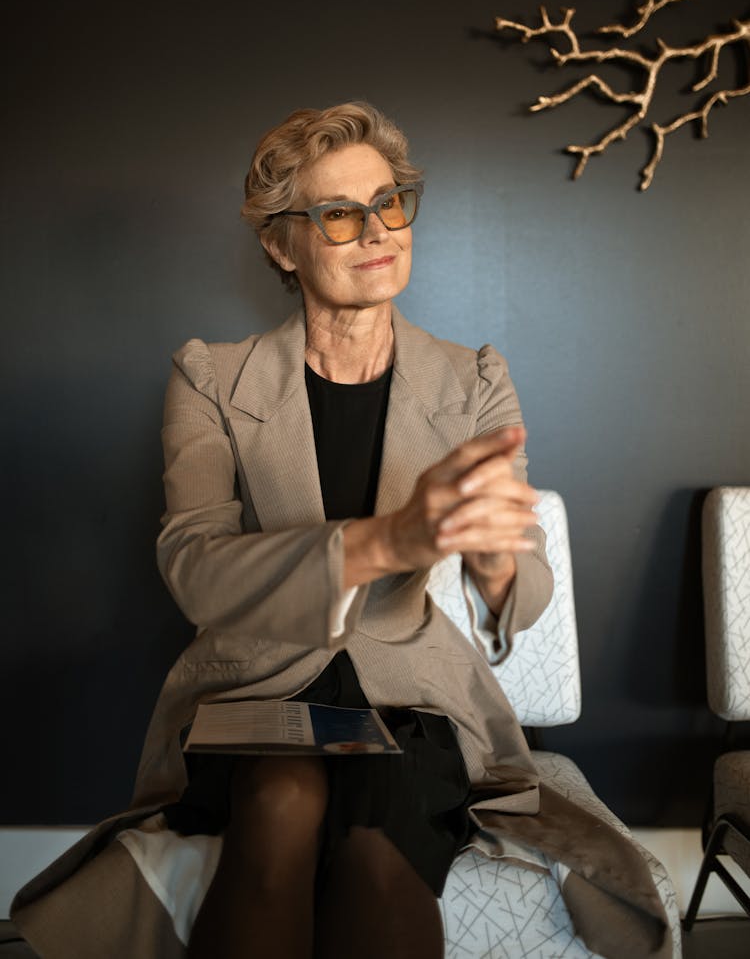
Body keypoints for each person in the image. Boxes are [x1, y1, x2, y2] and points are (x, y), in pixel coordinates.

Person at [11, 101, 672, 959]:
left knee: (378, 841)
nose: (377, 230)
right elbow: (195, 566)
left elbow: (528, 590)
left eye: (389, 202)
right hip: (256, 692)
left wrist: (496, 558)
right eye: (339, 213)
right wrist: (390, 539)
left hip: (414, 698)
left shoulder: (474, 380)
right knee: (280, 802)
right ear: (283, 245)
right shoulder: (209, 375)